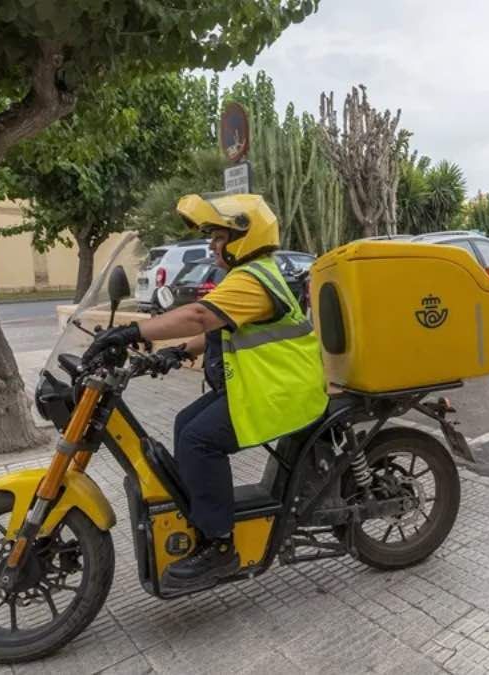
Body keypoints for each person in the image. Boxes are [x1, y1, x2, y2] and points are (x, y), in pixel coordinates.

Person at [83, 193, 327, 590]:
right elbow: (217, 329)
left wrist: (130, 331)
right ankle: (202, 511)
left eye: (219, 236)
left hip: (282, 392)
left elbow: (199, 316)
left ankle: (219, 545)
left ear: (244, 237)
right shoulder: (250, 276)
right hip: (264, 387)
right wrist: (175, 354)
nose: (212, 244)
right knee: (185, 423)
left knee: (199, 440)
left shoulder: (253, 278)